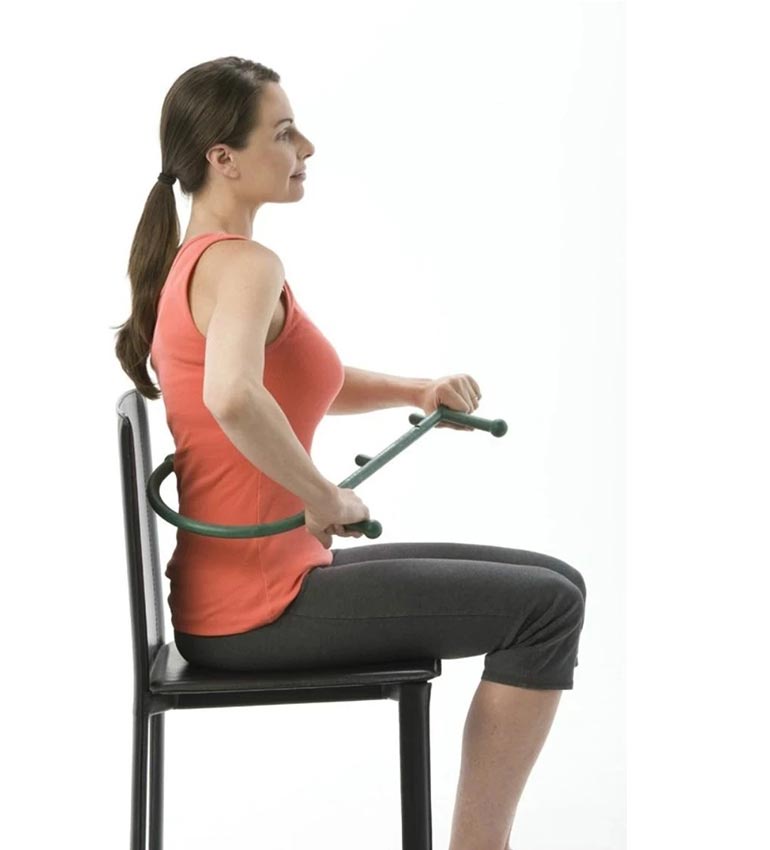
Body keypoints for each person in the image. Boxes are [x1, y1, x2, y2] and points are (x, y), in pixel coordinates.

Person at [114, 56, 587, 850]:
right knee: (549, 610)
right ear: (222, 157)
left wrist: (417, 390)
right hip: (257, 610)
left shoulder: (200, 262)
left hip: (249, 588)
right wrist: (324, 496)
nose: (306, 148)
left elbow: (293, 383)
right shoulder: (243, 265)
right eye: (284, 133)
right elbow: (234, 397)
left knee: (557, 583)